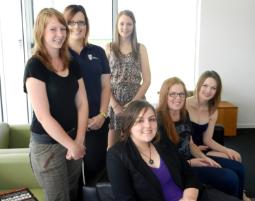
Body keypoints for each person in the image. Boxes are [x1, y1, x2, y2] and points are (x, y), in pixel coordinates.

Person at [107, 100, 241, 201]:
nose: (148, 125)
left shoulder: (162, 142)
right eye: (140, 121)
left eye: (152, 119)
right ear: (129, 125)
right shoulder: (117, 155)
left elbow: (188, 174)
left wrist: (189, 197)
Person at [23, 8, 88, 201]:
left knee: (73, 194)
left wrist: (79, 140)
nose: (60, 34)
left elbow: (82, 103)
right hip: (47, 147)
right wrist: (72, 145)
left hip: (73, 139)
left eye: (62, 29)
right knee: (59, 198)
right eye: (53, 29)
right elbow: (43, 116)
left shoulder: (72, 63)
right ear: (41, 31)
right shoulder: (35, 66)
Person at [157, 77, 248, 200]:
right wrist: (191, 163)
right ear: (164, 95)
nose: (178, 98)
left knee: (238, 168)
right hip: (180, 169)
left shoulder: (184, 114)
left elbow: (190, 143)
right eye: (172, 94)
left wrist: (204, 158)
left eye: (181, 94)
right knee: (230, 178)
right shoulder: (158, 121)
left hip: (192, 158)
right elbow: (162, 160)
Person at [63, 4, 111, 186]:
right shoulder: (59, 54)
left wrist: (102, 115)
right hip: (70, 126)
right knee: (71, 179)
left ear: (87, 25)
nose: (77, 27)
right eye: (71, 22)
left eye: (81, 22)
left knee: (96, 173)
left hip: (96, 124)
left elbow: (106, 86)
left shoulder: (98, 52)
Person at [105, 10, 151, 148]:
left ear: (134, 26)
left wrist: (133, 103)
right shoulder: (109, 48)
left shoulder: (140, 48)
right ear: (117, 26)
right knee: (113, 148)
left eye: (129, 24)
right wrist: (115, 105)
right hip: (114, 102)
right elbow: (104, 81)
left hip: (136, 101)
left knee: (138, 145)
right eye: (122, 24)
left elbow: (147, 80)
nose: (125, 27)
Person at [186, 70, 241, 161]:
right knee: (230, 174)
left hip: (203, 148)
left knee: (237, 157)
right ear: (199, 85)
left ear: (217, 91)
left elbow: (207, 140)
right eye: (205, 85)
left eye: (213, 88)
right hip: (189, 150)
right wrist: (192, 147)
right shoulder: (184, 104)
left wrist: (227, 150)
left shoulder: (213, 111)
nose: (208, 91)